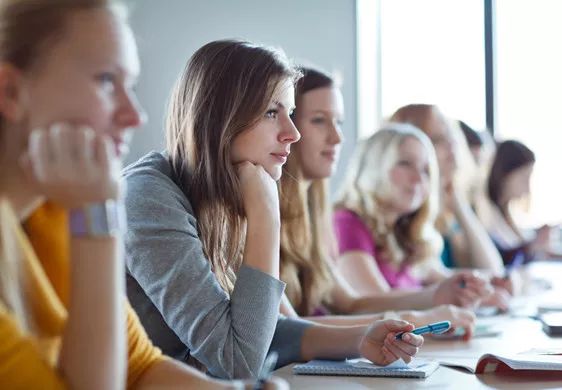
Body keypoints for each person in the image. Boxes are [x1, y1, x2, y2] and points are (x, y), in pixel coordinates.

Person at [0, 1, 284, 388]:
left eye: (129, 85)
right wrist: (97, 217)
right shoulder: (90, 209)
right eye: (105, 81)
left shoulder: (51, 213)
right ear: (10, 91)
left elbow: (139, 367)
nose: (135, 115)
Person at [124, 40, 424, 380]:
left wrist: (360, 338)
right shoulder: (148, 199)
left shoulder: (219, 194)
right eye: (271, 112)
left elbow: (256, 330)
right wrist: (266, 213)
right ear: (221, 117)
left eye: (291, 114)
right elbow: (238, 360)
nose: (292, 133)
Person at [278, 67, 476, 333]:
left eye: (338, 122)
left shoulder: (315, 216)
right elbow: (283, 328)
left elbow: (351, 304)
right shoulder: (342, 221)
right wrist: (418, 317)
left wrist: (436, 298)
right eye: (318, 120)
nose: (337, 137)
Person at [476, 140, 561, 264]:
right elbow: (501, 259)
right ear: (505, 175)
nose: (527, 188)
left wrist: (536, 243)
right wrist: (532, 246)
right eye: (524, 178)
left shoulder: (505, 213)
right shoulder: (484, 212)